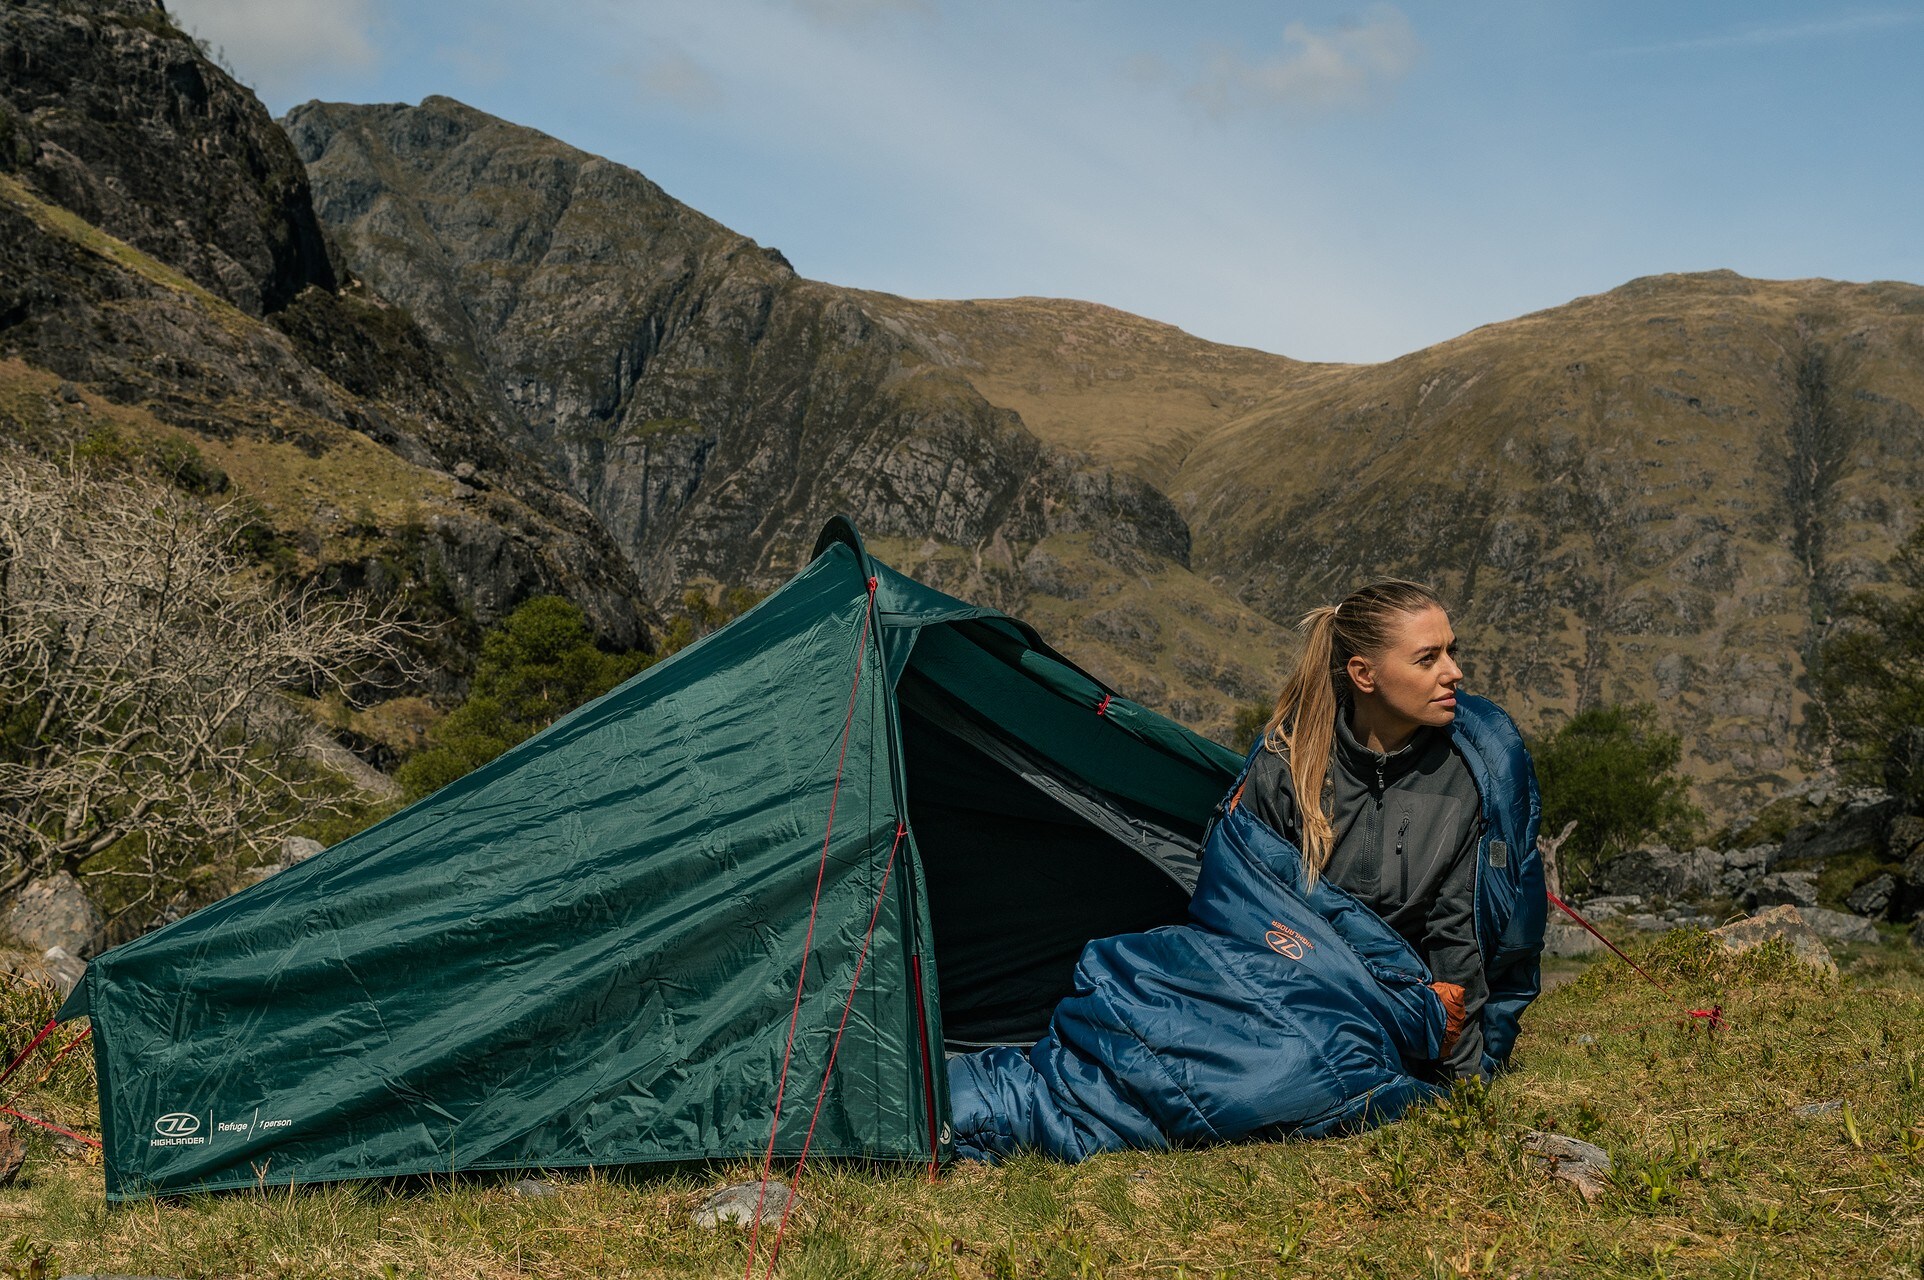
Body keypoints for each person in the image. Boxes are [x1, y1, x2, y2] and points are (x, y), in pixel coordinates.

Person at [1234, 578, 1540, 1080]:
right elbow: (1248, 915)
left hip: (1407, 1007)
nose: (1454, 673)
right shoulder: (1285, 767)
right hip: (1295, 995)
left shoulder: (1464, 778)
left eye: (1452, 652)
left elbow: (1457, 935)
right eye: (1428, 659)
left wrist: (1465, 1080)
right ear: (1364, 674)